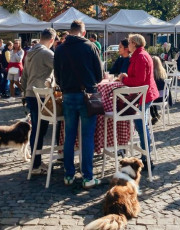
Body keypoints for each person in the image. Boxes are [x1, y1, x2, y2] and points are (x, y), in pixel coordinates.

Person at [54, 20, 103, 188]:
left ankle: (69, 175)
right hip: (87, 95)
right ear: (83, 32)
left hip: (68, 96)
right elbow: (99, 75)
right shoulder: (90, 46)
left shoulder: (60, 49)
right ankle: (87, 177)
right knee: (87, 137)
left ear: (70, 31)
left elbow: (57, 77)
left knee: (69, 136)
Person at [116, 34, 159, 171]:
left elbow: (139, 81)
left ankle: (147, 158)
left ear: (134, 43)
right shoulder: (139, 55)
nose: (127, 45)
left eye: (129, 42)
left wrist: (124, 79)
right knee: (141, 124)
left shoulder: (140, 57)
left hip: (144, 95)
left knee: (141, 124)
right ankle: (146, 157)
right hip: (143, 94)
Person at [20, 28, 56, 175]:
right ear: (52, 40)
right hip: (41, 95)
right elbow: (61, 69)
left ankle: (36, 161)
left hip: (30, 93)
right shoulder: (47, 53)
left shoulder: (29, 53)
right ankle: (35, 164)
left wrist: (23, 93)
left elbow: (24, 76)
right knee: (40, 130)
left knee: (36, 129)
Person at [150, 56, 167, 125]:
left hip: (158, 96)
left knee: (148, 99)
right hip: (165, 95)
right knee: (152, 96)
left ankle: (154, 116)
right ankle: (156, 114)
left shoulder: (152, 73)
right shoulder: (163, 70)